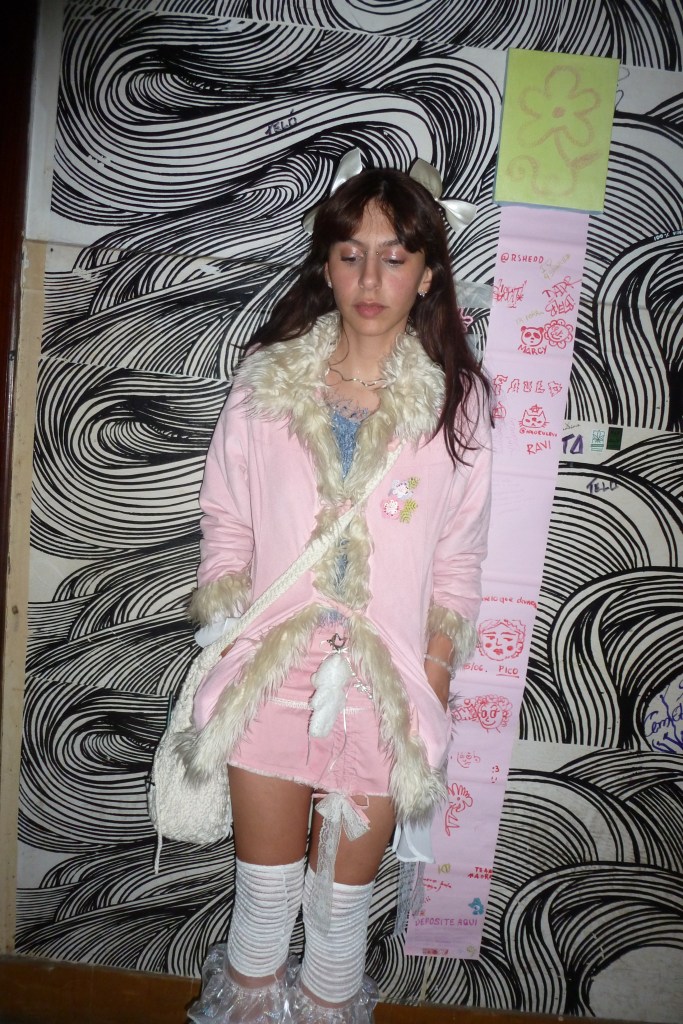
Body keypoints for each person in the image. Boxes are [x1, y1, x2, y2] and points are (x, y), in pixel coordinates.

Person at [184, 161, 493, 1023]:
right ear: (326, 264)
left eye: (394, 258)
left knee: (338, 924)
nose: (369, 279)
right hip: (270, 673)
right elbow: (226, 517)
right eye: (351, 254)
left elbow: (459, 559)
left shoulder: (458, 405)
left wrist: (431, 678)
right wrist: (230, 625)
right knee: (261, 913)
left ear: (426, 274)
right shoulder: (267, 382)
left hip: (384, 686)